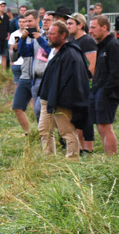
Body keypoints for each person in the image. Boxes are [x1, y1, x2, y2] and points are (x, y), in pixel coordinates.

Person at [37, 20, 90, 159]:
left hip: (61, 100)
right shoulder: (54, 51)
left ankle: (73, 159)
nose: (48, 36)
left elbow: (74, 81)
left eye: (52, 34)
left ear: (63, 35)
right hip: (48, 97)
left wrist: (63, 100)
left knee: (66, 131)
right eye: (48, 33)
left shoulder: (71, 54)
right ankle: (49, 158)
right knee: (44, 130)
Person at [12, 11, 48, 133]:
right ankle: (31, 134)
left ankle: (48, 135)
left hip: (42, 77)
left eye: (29, 21)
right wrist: (22, 39)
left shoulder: (44, 35)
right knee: (18, 107)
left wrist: (40, 38)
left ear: (37, 20)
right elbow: (23, 53)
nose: (27, 24)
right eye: (25, 21)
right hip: (27, 76)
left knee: (40, 110)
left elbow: (50, 52)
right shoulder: (23, 35)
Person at [67, 12, 97, 153]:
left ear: (81, 25)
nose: (68, 26)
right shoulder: (73, 41)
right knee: (77, 117)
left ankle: (88, 149)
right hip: (75, 85)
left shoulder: (87, 41)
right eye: (67, 24)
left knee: (86, 117)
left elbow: (93, 64)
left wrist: (84, 81)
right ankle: (80, 147)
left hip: (85, 86)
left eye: (71, 24)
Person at [89, 15, 119, 156]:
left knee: (105, 126)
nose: (90, 31)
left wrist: (105, 91)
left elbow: (116, 72)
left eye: (93, 27)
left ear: (105, 27)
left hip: (107, 91)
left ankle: (112, 160)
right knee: (100, 126)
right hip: (97, 89)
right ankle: (108, 157)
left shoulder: (113, 45)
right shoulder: (101, 45)